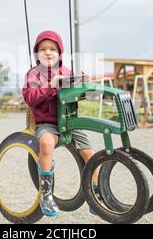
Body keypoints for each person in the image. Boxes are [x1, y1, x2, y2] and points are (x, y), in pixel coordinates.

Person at [22, 30, 99, 217]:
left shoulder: (68, 72)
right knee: (46, 144)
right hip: (47, 123)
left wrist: (82, 82)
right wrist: (51, 85)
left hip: (70, 121)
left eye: (53, 49)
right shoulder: (33, 75)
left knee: (92, 155)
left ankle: (95, 193)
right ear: (36, 53)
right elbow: (30, 98)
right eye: (43, 49)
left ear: (60, 53)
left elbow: (78, 95)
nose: (48, 53)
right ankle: (46, 194)